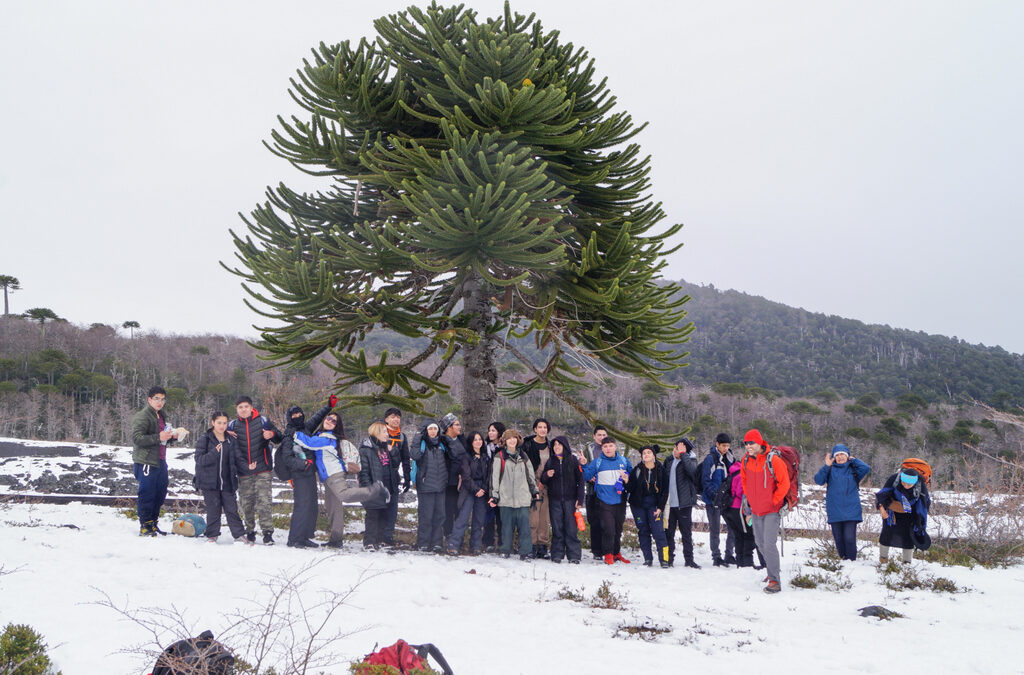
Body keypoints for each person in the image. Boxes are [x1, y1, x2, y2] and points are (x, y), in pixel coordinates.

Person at [305, 412, 388, 549]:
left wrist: (294, 434)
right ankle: (336, 539)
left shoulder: (328, 438)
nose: (330, 421)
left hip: (334, 474)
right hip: (327, 476)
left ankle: (375, 489)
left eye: (334, 421)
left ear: (336, 426)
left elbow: (307, 442)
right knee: (333, 508)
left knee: (343, 495)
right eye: (328, 418)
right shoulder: (320, 435)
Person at [739, 429, 790, 594]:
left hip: (771, 511)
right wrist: (750, 503)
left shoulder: (773, 460)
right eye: (746, 443)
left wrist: (774, 501)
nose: (748, 446)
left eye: (751, 443)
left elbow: (784, 483)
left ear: (760, 442)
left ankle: (775, 581)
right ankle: (771, 570)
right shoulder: (746, 460)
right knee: (760, 543)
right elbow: (744, 482)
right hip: (755, 510)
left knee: (769, 544)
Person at [228, 396, 282, 545]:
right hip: (243, 471)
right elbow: (222, 440)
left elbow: (279, 438)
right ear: (237, 409)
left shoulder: (263, 421)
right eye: (240, 407)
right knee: (246, 503)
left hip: (262, 468)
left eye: (246, 406)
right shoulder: (232, 425)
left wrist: (272, 434)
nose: (243, 409)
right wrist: (226, 434)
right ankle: (250, 531)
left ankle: (267, 533)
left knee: (264, 502)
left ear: (251, 408)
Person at [279, 402, 333, 549]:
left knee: (311, 506)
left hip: (309, 473)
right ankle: (294, 539)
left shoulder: (305, 428)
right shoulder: (289, 435)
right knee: (302, 506)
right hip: (299, 474)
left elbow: (317, 417)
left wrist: (328, 406)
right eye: (294, 415)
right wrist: (303, 464)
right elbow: (287, 458)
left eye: (299, 413)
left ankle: (305, 536)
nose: (298, 416)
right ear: (289, 418)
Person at [194, 411, 247, 544]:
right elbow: (199, 460)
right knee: (213, 510)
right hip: (209, 482)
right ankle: (212, 535)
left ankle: (239, 535)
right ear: (213, 423)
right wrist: (214, 453)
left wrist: (248, 467)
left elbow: (238, 458)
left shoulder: (230, 439)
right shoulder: (205, 438)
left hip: (228, 482)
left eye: (224, 423)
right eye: (219, 423)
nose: (222, 426)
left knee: (232, 509)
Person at [132, 386, 178, 536]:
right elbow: (137, 438)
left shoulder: (161, 415)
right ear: (149, 399)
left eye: (163, 399)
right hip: (146, 461)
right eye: (157, 399)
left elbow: (162, 439)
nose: (160, 402)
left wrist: (171, 437)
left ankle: (153, 523)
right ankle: (145, 525)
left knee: (160, 492)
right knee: (147, 493)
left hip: (160, 460)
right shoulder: (143, 416)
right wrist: (159, 437)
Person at [813, 444, 871, 561]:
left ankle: (851, 561)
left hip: (852, 509)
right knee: (838, 539)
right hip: (834, 509)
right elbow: (818, 480)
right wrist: (826, 466)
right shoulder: (830, 469)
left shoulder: (854, 469)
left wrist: (853, 460)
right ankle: (843, 561)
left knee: (849, 538)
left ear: (847, 456)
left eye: (842, 454)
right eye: (837, 455)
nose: (840, 457)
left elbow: (866, 468)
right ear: (834, 457)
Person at [581, 436, 632, 564]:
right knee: (608, 529)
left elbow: (632, 477)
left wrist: (627, 478)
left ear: (615, 446)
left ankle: (616, 553)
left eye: (610, 446)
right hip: (603, 500)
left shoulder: (624, 461)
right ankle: (608, 554)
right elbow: (587, 476)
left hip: (620, 500)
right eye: (605, 446)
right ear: (602, 448)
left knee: (618, 529)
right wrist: (584, 465)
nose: (608, 449)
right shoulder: (597, 462)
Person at [489, 429, 539, 560]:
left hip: (523, 497)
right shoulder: (499, 457)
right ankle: (505, 549)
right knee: (506, 527)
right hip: (506, 498)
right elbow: (495, 478)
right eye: (509, 438)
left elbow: (530, 476)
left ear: (518, 440)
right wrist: (494, 495)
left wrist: (534, 491)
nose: (512, 440)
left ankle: (525, 552)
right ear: (504, 441)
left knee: (524, 527)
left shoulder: (524, 456)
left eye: (514, 438)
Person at [540, 436, 585, 564]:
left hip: (571, 500)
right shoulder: (550, 461)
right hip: (555, 500)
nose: (557, 447)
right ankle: (557, 554)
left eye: (559, 444)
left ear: (565, 446)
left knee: (571, 529)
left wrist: (580, 499)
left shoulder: (573, 460)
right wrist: (547, 475)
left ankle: (574, 555)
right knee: (557, 528)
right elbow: (543, 480)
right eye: (554, 445)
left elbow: (580, 481)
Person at [360, 419, 404, 550]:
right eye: (384, 432)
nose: (387, 434)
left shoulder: (386, 447)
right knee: (373, 515)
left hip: (388, 486)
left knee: (384, 514)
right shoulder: (366, 449)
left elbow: (395, 465)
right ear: (377, 432)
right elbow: (363, 471)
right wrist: (368, 488)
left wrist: (393, 451)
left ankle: (379, 540)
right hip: (373, 486)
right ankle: (369, 541)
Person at [876, 467, 930, 564]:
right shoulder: (894, 479)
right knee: (886, 535)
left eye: (909, 484)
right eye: (903, 483)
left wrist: (920, 523)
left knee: (908, 537)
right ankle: (883, 559)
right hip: (892, 512)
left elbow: (923, 505)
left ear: (914, 483)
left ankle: (907, 562)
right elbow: (882, 495)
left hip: (910, 513)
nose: (906, 486)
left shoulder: (920, 486)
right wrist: (882, 510)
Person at [448, 431, 490, 555]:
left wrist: (483, 489)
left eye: (480, 439)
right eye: (475, 440)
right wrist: (476, 489)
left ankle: (476, 545)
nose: (478, 442)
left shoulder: (485, 457)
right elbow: (466, 476)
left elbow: (489, 475)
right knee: (463, 517)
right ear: (471, 442)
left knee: (479, 519)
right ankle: (454, 544)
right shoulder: (466, 457)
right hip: (468, 489)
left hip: (482, 490)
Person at [628, 445, 670, 568]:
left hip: (655, 506)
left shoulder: (661, 470)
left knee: (659, 532)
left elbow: (665, 491)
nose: (646, 455)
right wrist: (626, 481)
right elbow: (630, 488)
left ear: (653, 455)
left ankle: (664, 559)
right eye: (644, 453)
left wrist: (660, 508)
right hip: (638, 506)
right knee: (643, 531)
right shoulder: (637, 470)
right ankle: (647, 558)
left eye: (649, 452)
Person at [411, 420, 449, 552]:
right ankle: (423, 542)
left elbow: (454, 455)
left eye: (435, 429)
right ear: (425, 431)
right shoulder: (422, 444)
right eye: (430, 429)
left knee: (439, 516)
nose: (433, 431)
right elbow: (414, 455)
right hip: (425, 485)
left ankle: (437, 542)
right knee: (426, 515)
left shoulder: (442, 444)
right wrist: (417, 438)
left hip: (441, 485)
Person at [700, 433, 736, 566]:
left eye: (728, 446)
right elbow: (705, 479)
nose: (726, 448)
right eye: (723, 446)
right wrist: (713, 495)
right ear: (717, 444)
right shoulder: (711, 459)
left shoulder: (730, 458)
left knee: (733, 527)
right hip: (713, 500)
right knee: (715, 529)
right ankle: (716, 556)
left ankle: (729, 554)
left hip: (727, 500)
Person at [664, 438, 700, 568]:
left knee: (686, 534)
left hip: (684, 503)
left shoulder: (691, 461)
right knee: (669, 533)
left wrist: (684, 455)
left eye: (678, 449)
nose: (675, 451)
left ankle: (689, 560)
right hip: (669, 504)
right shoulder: (669, 461)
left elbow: (692, 473)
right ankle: (668, 559)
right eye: (675, 448)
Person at [522, 418, 553, 559]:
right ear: (535, 429)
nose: (542, 430)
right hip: (531, 485)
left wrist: (546, 480)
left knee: (544, 518)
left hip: (547, 485)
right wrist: (534, 483)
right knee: (532, 517)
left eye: (545, 427)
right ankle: (531, 545)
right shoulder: (527, 445)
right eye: (539, 427)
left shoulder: (551, 446)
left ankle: (542, 545)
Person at [721, 461, 757, 567]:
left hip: (730, 509)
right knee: (748, 534)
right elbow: (741, 492)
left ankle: (740, 560)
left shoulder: (732, 472)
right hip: (739, 508)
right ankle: (747, 562)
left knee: (738, 536)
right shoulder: (742, 474)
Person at [439, 413, 466, 541]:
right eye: (457, 425)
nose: (459, 427)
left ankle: (458, 536)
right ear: (449, 427)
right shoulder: (442, 442)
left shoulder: (461, 440)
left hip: (462, 481)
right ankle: (448, 534)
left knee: (460, 510)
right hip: (449, 482)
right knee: (449, 509)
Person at [582, 426, 608, 560]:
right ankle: (597, 551)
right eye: (599, 435)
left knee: (607, 521)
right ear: (594, 436)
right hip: (592, 490)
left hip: (607, 491)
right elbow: (582, 466)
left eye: (604, 435)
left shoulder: (610, 449)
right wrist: (589, 476)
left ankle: (608, 549)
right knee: (594, 521)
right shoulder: (588, 450)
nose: (601, 437)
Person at [482, 422, 506, 551]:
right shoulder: (485, 447)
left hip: (502, 486)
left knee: (501, 517)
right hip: (487, 486)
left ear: (499, 432)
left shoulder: (505, 448)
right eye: (489, 430)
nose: (490, 433)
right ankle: (488, 542)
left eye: (493, 430)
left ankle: (503, 542)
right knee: (489, 515)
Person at [383, 407, 413, 497]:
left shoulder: (402, 437)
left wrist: (407, 479)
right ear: (386, 420)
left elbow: (405, 459)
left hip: (394, 477)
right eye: (393, 417)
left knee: (393, 504)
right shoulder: (379, 434)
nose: (396, 419)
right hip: (379, 476)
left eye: (398, 417)